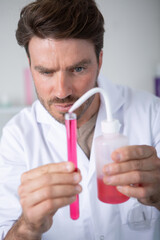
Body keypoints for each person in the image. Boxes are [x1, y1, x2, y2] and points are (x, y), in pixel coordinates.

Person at [0, 0, 160, 239]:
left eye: (77, 69)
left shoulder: (151, 113)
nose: (62, 91)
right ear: (31, 66)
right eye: (45, 72)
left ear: (99, 61)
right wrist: (28, 227)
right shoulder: (17, 137)